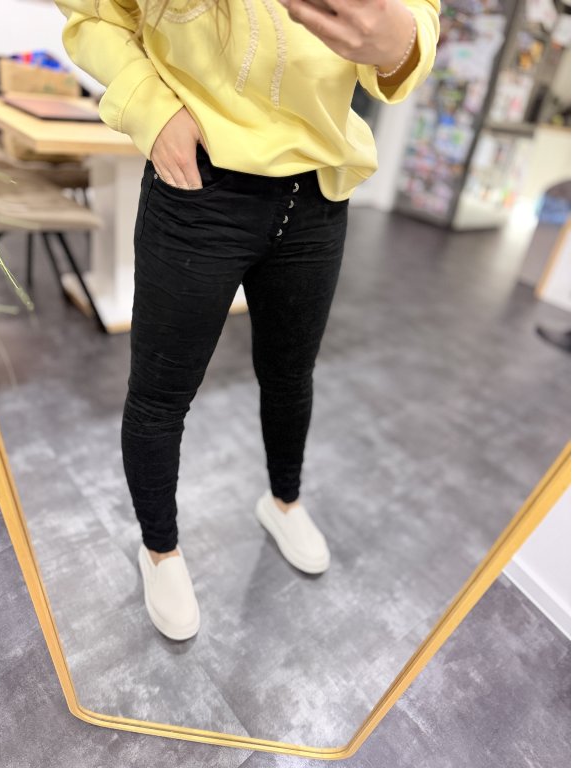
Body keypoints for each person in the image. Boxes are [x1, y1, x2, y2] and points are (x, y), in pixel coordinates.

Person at [53, 0, 440, 640]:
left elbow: (418, 17)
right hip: (200, 184)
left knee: (291, 376)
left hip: (318, 189)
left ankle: (284, 500)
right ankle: (160, 549)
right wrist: (153, 109)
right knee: (160, 395)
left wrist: (405, 42)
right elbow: (93, 16)